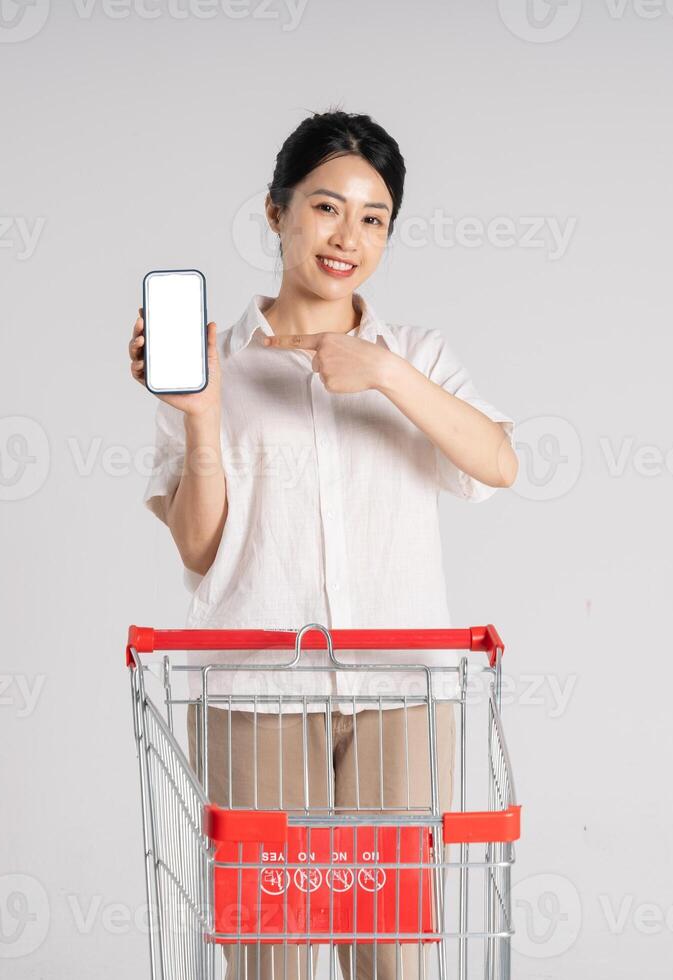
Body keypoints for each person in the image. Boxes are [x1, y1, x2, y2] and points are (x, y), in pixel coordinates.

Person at [129, 109, 516, 980]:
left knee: (391, 955)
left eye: (373, 218)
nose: (349, 237)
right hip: (255, 694)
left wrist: (382, 372)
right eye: (326, 207)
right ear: (276, 212)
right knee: (272, 957)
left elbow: (496, 463)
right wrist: (200, 416)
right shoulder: (213, 360)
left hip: (399, 698)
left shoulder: (413, 354)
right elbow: (199, 549)